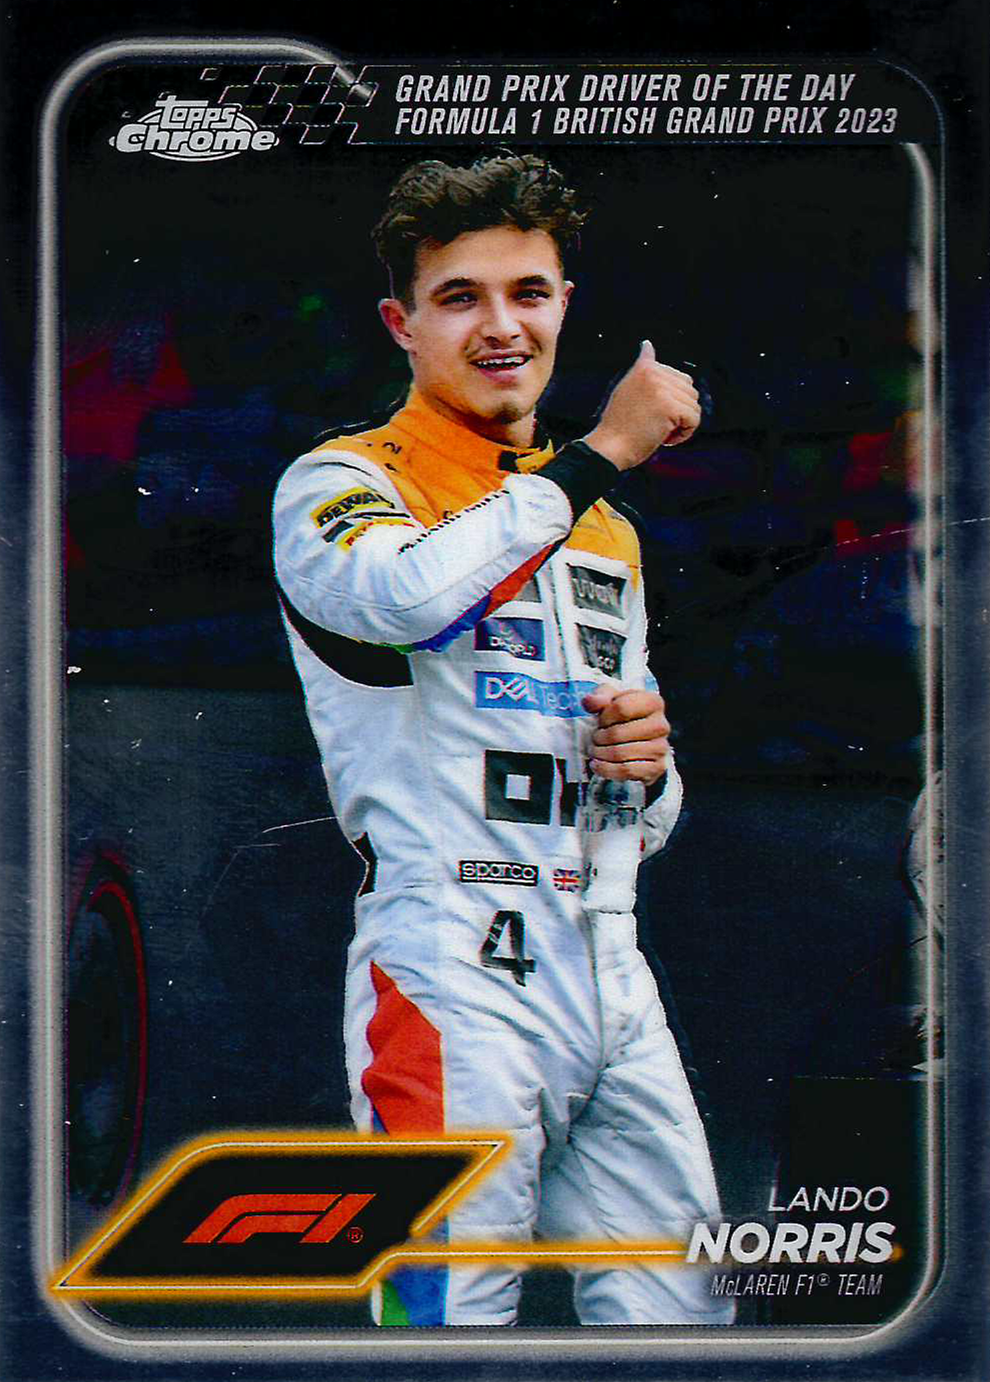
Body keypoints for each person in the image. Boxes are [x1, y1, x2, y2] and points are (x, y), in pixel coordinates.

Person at [272, 154, 732, 1327]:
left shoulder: (605, 527)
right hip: (452, 964)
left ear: (564, 305)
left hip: (609, 960)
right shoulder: (341, 479)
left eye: (527, 292)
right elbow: (404, 600)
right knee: (446, 1319)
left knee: (684, 1314)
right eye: (459, 297)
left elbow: (645, 806)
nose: (500, 326)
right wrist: (601, 453)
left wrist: (651, 767)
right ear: (402, 323)